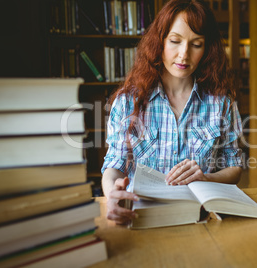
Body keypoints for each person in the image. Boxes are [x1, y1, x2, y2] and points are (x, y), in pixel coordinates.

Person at [101, 0, 243, 225]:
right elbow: (114, 164)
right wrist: (112, 194)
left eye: (196, 44)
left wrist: (206, 177)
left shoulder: (222, 103)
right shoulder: (128, 102)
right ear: (160, 42)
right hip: (141, 219)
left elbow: (234, 166)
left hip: (201, 222)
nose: (184, 54)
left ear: (207, 49)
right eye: (175, 41)